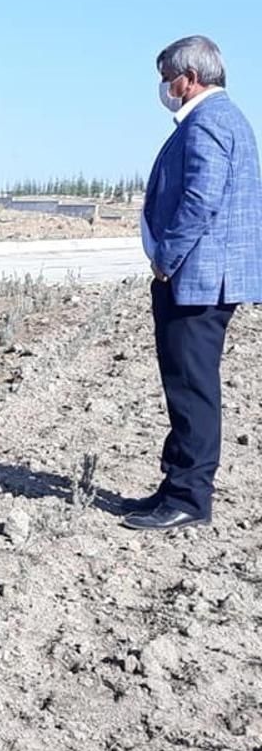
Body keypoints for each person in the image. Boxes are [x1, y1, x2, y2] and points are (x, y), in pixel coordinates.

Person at [122, 35, 262, 531]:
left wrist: (167, 258)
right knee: (186, 384)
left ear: (190, 77)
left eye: (167, 78)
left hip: (199, 279)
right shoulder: (219, 119)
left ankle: (188, 498)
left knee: (191, 388)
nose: (164, 88)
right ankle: (175, 486)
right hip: (201, 278)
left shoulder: (209, 121)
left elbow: (201, 199)